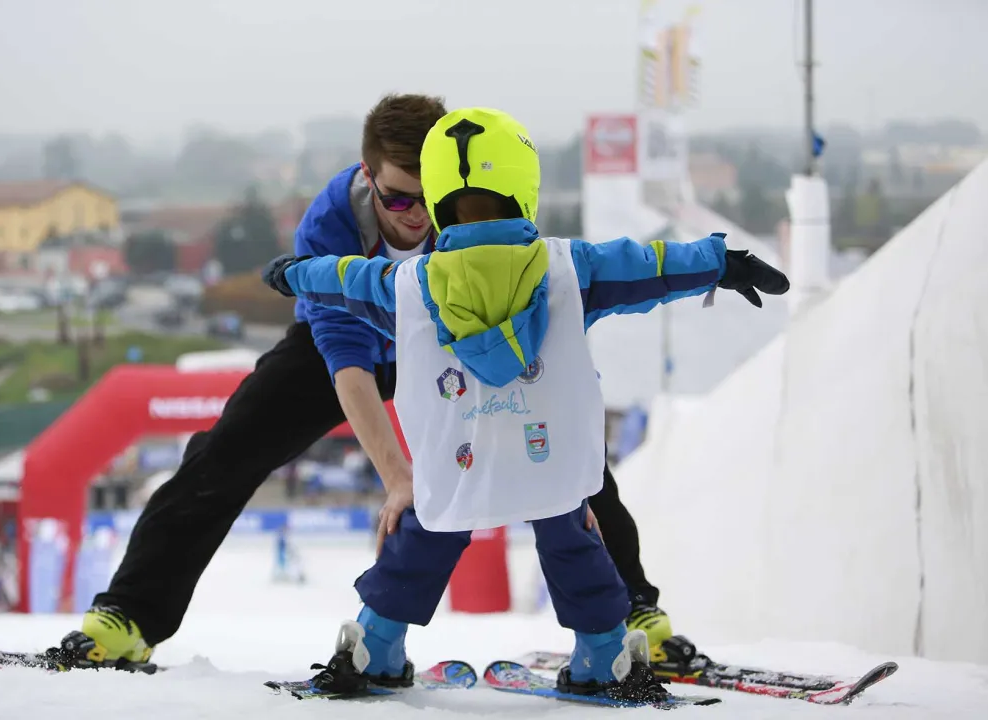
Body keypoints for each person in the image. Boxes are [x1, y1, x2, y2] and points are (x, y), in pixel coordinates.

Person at [49, 93, 677, 670]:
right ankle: (129, 618)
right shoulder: (331, 222)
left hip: (446, 343)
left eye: (426, 199)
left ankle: (636, 616)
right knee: (223, 453)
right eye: (396, 198)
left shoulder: (477, 212)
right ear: (367, 176)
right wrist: (400, 476)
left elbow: (536, 312)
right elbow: (346, 363)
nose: (413, 217)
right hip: (351, 342)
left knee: (571, 458)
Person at [261, 107, 788, 698]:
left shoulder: (405, 285)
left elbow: (343, 279)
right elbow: (651, 264)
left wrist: (293, 273)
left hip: (456, 464)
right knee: (572, 540)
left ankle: (374, 645)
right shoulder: (571, 270)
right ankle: (605, 654)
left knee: (424, 540)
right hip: (552, 460)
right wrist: (720, 263)